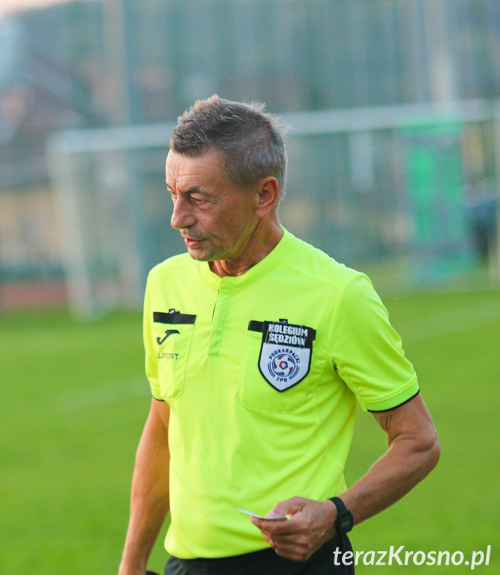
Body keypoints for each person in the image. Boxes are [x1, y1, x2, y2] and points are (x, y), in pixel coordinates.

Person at [118, 96, 440, 575]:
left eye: (198, 198)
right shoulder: (165, 284)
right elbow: (163, 430)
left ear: (263, 196)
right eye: (172, 194)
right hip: (184, 565)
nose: (178, 218)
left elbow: (418, 441)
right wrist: (131, 564)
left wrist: (335, 514)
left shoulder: (338, 295)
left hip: (297, 564)